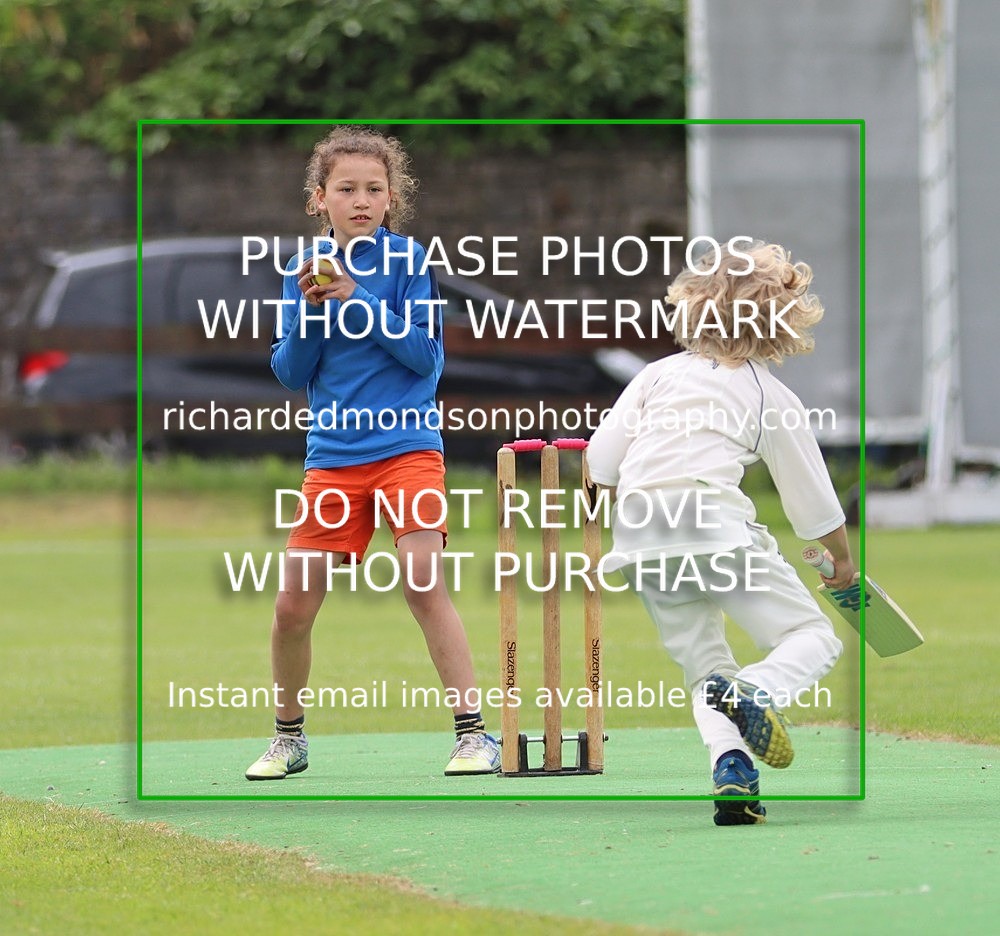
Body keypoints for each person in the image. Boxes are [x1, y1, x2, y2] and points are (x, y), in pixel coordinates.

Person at [245, 126, 499, 780]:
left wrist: (358, 301)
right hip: (333, 457)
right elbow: (290, 371)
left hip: (407, 447)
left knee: (421, 579)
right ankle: (288, 738)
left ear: (391, 200)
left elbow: (424, 355)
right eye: (346, 189)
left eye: (374, 190)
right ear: (318, 200)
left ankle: (473, 735)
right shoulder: (301, 274)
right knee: (291, 608)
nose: (361, 200)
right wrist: (311, 311)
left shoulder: (408, 265)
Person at [587, 240, 853, 825]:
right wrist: (842, 562)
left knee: (706, 669)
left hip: (638, 536)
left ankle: (733, 772)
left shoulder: (655, 377)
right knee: (812, 635)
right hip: (712, 525)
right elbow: (812, 500)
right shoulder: (767, 392)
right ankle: (759, 691)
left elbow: (601, 463)